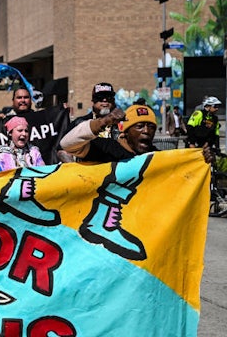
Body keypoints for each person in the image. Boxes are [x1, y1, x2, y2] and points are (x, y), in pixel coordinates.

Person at [59, 104, 214, 260]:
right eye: (139, 126)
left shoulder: (157, 158)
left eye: (151, 127)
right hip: (96, 245)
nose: (146, 131)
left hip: (141, 241)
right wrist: (103, 122)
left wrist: (201, 161)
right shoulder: (105, 148)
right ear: (126, 131)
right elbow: (67, 144)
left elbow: (183, 185)